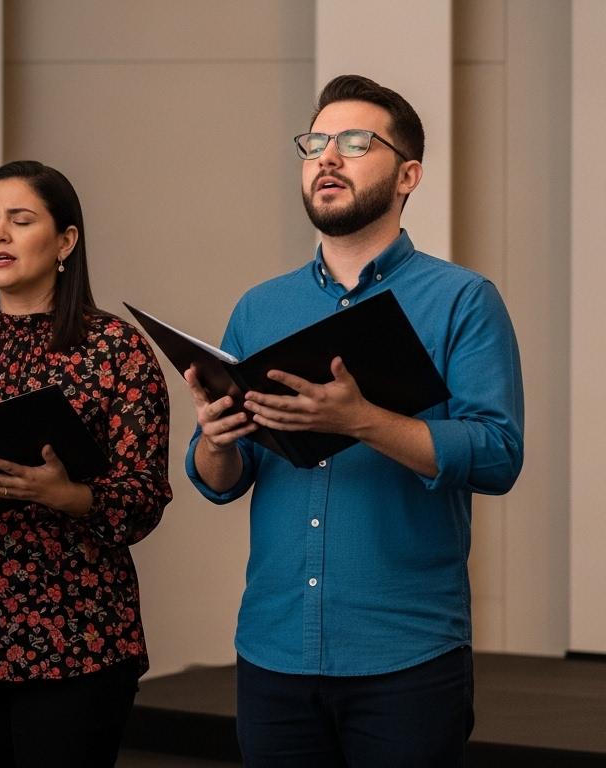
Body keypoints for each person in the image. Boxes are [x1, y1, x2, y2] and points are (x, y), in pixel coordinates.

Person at [184, 75, 524, 767]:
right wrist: (216, 440)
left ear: (409, 175)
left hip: (406, 655)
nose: (328, 159)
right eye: (315, 144)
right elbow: (219, 479)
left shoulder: (462, 299)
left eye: (356, 143)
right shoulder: (259, 308)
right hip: (273, 648)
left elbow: (497, 454)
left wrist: (364, 420)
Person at [0, 160, 172, 767]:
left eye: (19, 220)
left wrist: (70, 496)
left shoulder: (115, 349)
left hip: (77, 637)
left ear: (65, 241)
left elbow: (144, 499)